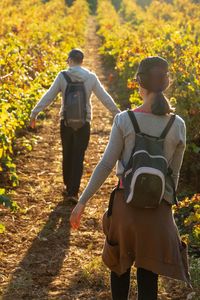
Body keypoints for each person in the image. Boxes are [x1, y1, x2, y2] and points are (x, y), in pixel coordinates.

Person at [70, 56, 191, 299]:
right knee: (149, 276)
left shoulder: (125, 120)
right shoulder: (177, 125)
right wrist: (166, 210)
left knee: (119, 267)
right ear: (166, 83)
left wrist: (81, 202)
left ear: (139, 84)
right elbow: (173, 175)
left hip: (125, 208)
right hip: (157, 210)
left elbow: (105, 165)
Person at [30, 48, 120, 202]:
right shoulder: (91, 77)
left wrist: (34, 113)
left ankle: (67, 185)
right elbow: (104, 97)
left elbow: (49, 96)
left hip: (66, 121)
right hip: (84, 123)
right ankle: (73, 192)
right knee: (79, 156)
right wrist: (117, 114)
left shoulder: (62, 76)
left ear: (70, 60)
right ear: (82, 61)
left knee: (67, 153)